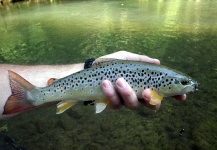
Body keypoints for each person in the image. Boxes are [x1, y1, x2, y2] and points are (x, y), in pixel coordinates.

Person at [0, 51, 186, 120]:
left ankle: (37, 95)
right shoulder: (157, 87)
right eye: (184, 83)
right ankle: (33, 96)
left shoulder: (157, 79)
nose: (187, 86)